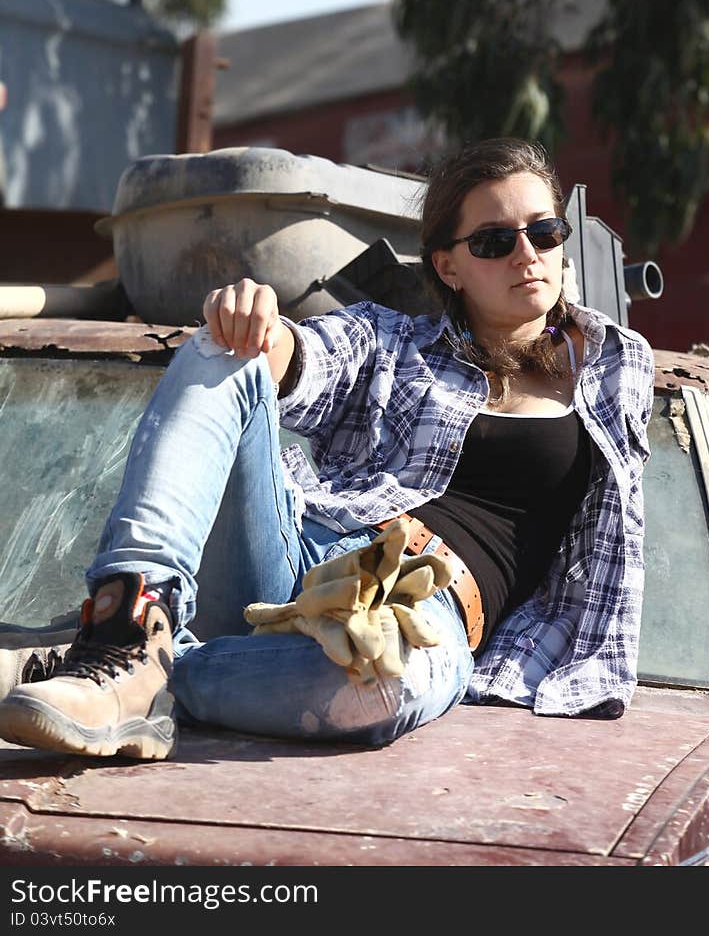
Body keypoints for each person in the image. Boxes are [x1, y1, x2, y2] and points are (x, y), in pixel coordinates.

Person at [0, 137, 654, 759]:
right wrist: (257, 323)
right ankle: (129, 624)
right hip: (297, 558)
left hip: (429, 606)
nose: (527, 255)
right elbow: (304, 355)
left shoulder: (616, 366)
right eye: (493, 241)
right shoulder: (394, 342)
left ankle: (134, 671)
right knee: (227, 352)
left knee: (379, 686)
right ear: (448, 265)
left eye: (544, 231)